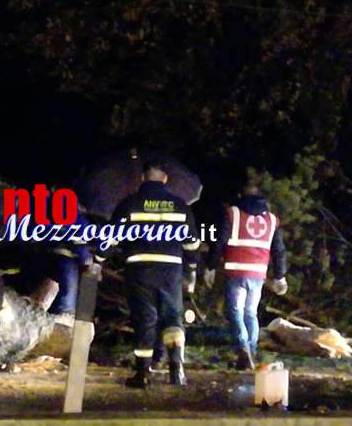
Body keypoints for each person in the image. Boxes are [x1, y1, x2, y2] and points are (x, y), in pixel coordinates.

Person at [93, 160, 200, 389]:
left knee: (145, 319)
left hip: (139, 270)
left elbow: (110, 238)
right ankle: (177, 370)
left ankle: (142, 373)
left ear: (143, 178)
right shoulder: (180, 205)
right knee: (173, 318)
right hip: (171, 271)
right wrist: (191, 271)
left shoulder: (129, 204)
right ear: (165, 179)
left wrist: (98, 261)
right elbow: (192, 243)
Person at [205, 186, 288, 370]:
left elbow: (219, 242)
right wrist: (280, 276)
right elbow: (279, 250)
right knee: (250, 313)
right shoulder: (271, 219)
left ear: (240, 196)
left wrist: (210, 266)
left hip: (236, 271)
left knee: (235, 312)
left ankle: (243, 350)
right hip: (258, 274)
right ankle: (251, 352)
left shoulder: (233, 214)